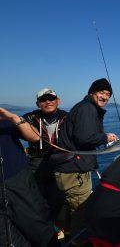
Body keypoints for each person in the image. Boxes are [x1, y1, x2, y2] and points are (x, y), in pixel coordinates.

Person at [50, 78, 118, 241]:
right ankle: (79, 242)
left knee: (69, 209)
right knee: (81, 212)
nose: (105, 97)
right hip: (75, 172)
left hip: (68, 170)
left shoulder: (84, 107)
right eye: (102, 92)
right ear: (92, 93)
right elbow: (84, 138)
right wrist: (105, 137)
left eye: (108, 94)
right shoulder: (88, 109)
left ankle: (66, 236)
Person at [0, 107, 59, 246]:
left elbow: (35, 136)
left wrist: (14, 118)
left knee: (38, 226)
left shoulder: (4, 120)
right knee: (7, 238)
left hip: (18, 181)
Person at [23, 88, 67, 221]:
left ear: (58, 101)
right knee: (36, 197)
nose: (48, 101)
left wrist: (103, 137)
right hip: (36, 162)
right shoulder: (29, 118)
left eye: (51, 98)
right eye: (43, 99)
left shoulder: (69, 117)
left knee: (61, 198)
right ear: (38, 104)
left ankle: (62, 228)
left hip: (61, 162)